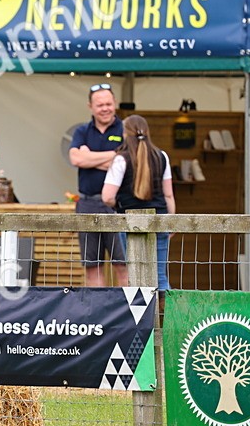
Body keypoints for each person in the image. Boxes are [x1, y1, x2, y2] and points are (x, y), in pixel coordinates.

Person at [102, 115, 175, 291]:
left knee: (134, 275)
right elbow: (169, 195)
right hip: (160, 221)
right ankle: (169, 318)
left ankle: (140, 317)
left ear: (125, 134)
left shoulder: (121, 159)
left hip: (129, 223)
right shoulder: (162, 156)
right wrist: (171, 222)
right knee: (160, 277)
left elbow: (107, 196)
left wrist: (119, 204)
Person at [69, 83, 129, 287]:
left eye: (109, 104)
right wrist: (114, 157)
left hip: (117, 206)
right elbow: (76, 159)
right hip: (87, 205)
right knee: (92, 265)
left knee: (123, 264)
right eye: (100, 104)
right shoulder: (82, 131)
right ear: (90, 106)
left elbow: (129, 161)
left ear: (115, 104)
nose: (105, 108)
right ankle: (98, 314)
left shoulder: (125, 129)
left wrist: (90, 157)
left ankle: (127, 315)